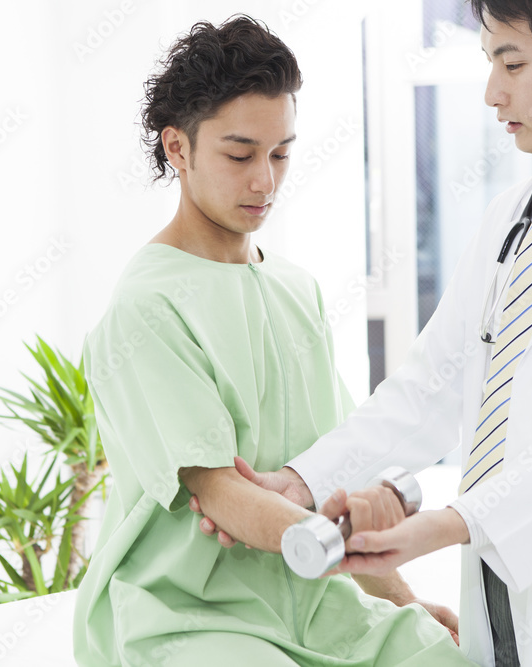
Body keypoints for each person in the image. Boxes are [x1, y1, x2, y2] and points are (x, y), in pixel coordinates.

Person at [197, 1, 532, 665]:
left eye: (512, 62)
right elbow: (431, 383)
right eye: (488, 63)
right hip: (503, 596)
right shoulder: (516, 217)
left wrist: (454, 523)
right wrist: (303, 482)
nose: (491, 92)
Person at [72, 15, 471, 667]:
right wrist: (336, 538)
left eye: (280, 152)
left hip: (310, 596)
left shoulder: (296, 291)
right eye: (240, 154)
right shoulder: (146, 307)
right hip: (189, 614)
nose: (265, 180)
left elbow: (338, 471)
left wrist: (404, 604)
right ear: (177, 148)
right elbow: (220, 494)